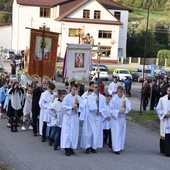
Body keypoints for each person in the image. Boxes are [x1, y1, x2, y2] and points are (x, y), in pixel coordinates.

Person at [81, 83, 106, 154]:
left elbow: (104, 107)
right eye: (95, 87)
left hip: (97, 117)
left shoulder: (103, 97)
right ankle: (87, 146)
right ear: (93, 88)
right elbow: (90, 108)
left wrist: (100, 112)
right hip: (90, 117)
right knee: (89, 133)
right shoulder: (89, 97)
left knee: (96, 132)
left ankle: (94, 146)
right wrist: (95, 102)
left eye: (98, 87)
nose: (96, 89)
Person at [61, 83, 85, 156]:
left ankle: (72, 147)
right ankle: (67, 148)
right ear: (71, 89)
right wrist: (71, 108)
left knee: (74, 133)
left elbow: (83, 105)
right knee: (67, 133)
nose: (75, 91)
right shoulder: (67, 97)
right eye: (73, 89)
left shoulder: (78, 98)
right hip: (68, 117)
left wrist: (78, 105)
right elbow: (63, 106)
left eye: (76, 89)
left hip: (74, 117)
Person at [109, 86, 131, 155]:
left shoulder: (125, 99)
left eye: (122, 92)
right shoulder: (113, 100)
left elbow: (129, 107)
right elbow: (111, 109)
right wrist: (118, 112)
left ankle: (120, 146)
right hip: (116, 119)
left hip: (122, 119)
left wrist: (125, 110)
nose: (121, 94)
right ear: (117, 92)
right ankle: (116, 148)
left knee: (121, 133)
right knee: (116, 134)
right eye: (120, 92)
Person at [156, 86, 170, 157]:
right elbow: (158, 109)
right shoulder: (162, 99)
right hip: (165, 120)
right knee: (166, 136)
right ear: (167, 91)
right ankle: (166, 151)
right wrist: (165, 114)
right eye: (169, 90)